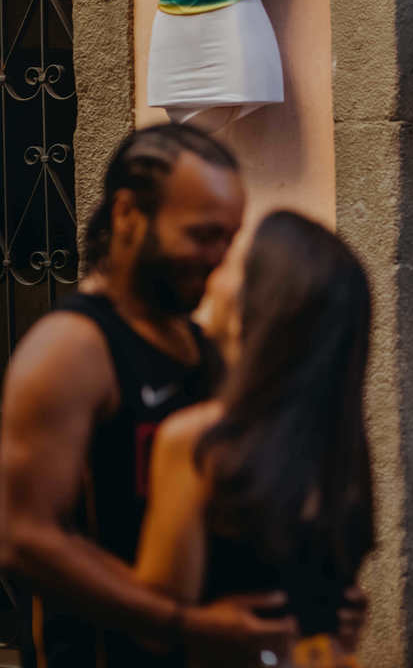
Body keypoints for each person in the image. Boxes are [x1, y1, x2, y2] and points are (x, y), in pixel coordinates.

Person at [0, 125, 355, 666]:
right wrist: (184, 624)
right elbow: (22, 538)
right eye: (202, 234)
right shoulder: (71, 349)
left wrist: (311, 597)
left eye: (230, 238)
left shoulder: (199, 339)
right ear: (127, 215)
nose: (219, 256)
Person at [135, 211, 375, 668]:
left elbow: (155, 628)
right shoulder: (338, 443)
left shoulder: (199, 441)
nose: (213, 268)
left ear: (259, 302)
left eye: (231, 262)